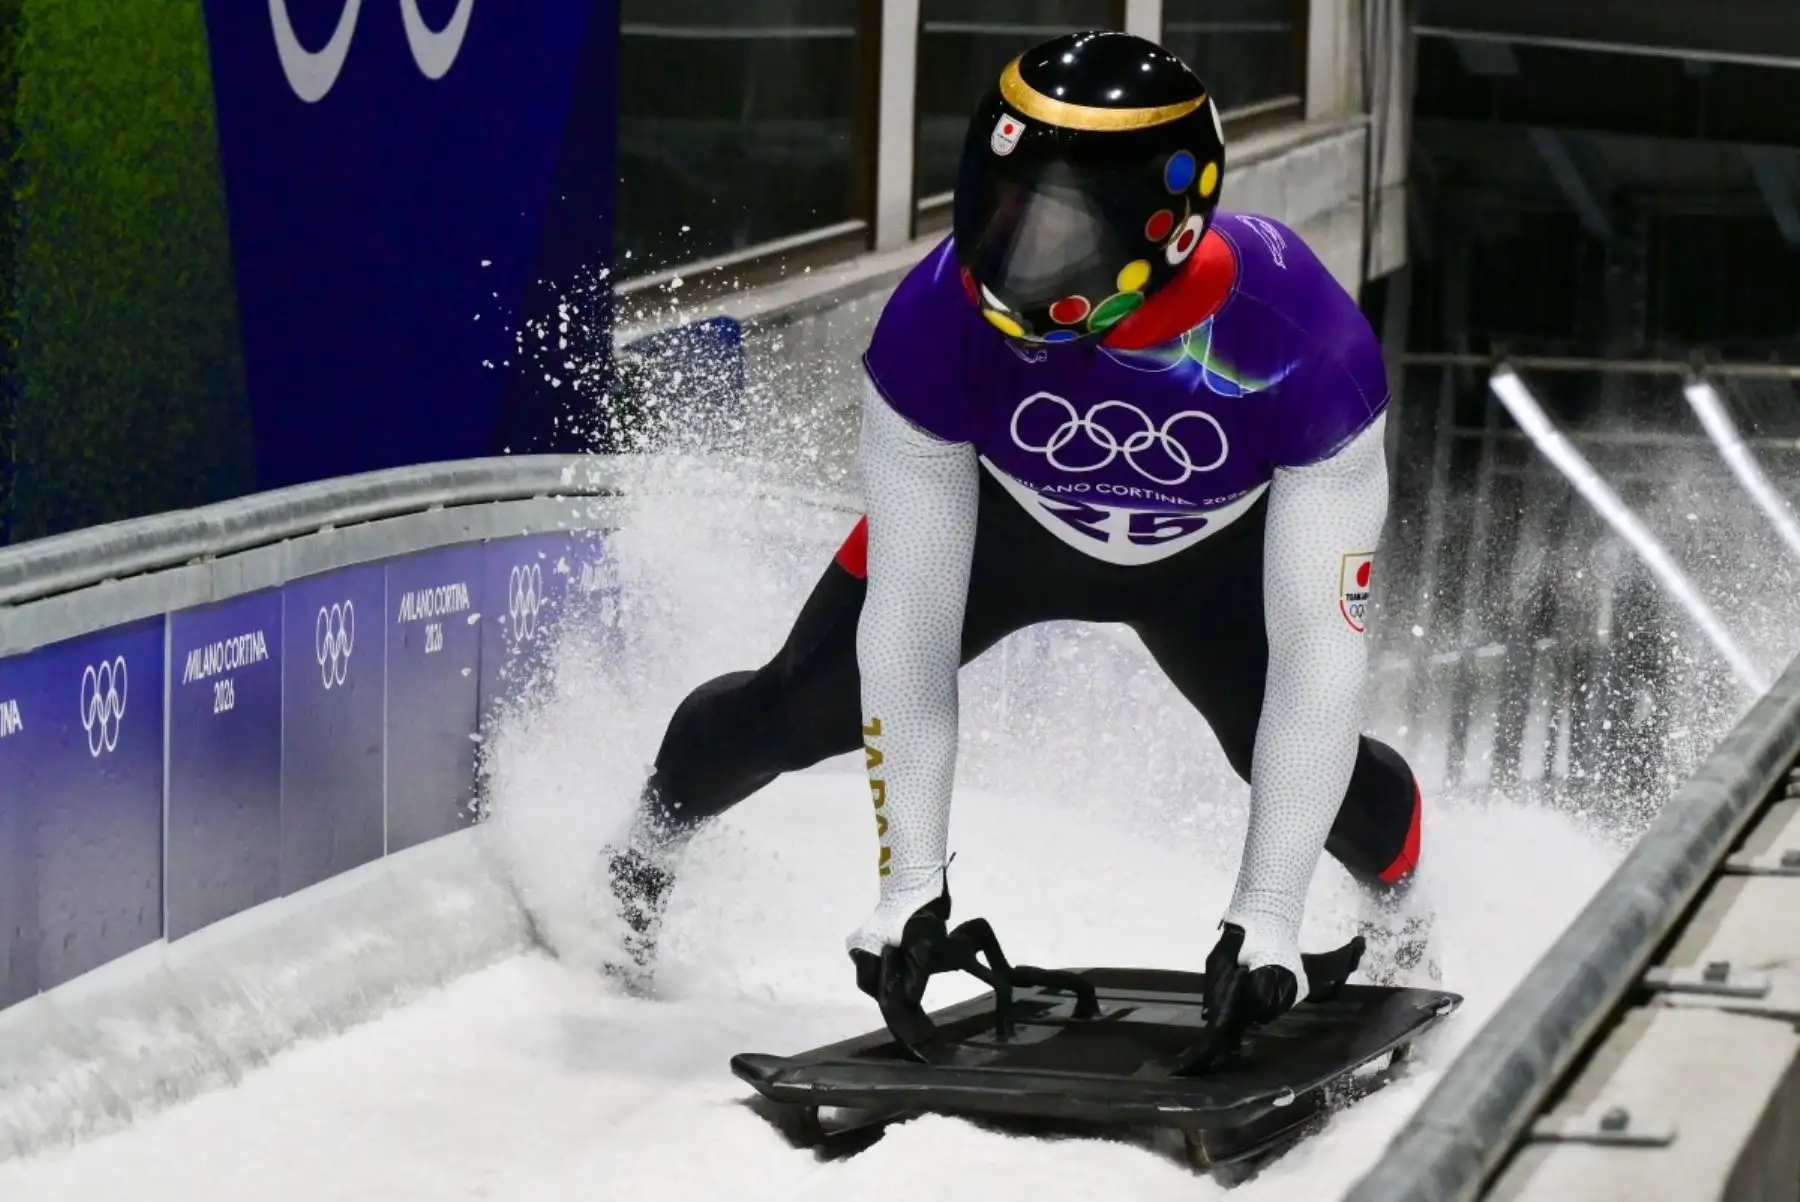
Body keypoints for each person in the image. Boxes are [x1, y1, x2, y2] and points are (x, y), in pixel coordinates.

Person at [606, 30, 1434, 1038]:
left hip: (1214, 558)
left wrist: (1268, 913)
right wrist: (910, 882)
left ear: (1163, 230)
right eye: (996, 207)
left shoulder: (1307, 349)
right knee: (796, 704)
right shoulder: (929, 323)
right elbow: (909, 626)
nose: (1005, 259)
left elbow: (1318, 658)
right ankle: (636, 861)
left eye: (1053, 230)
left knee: (1314, 773)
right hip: (1008, 522)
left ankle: (1402, 913)